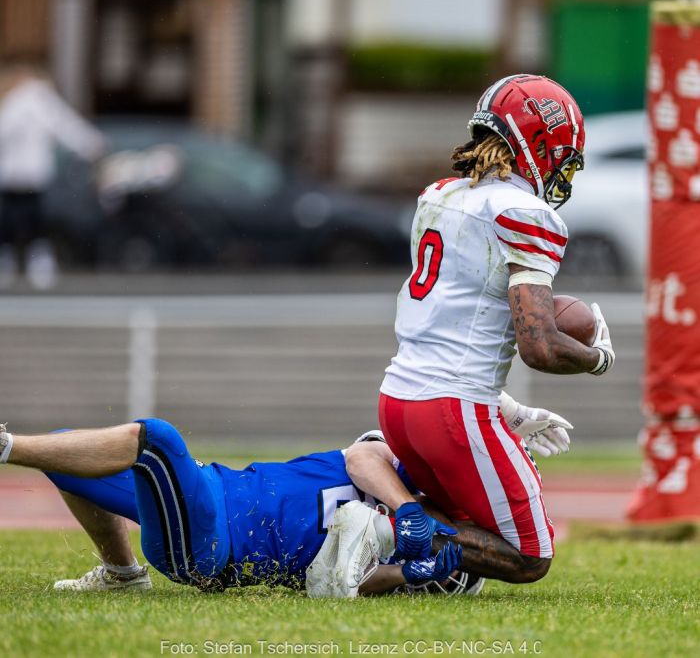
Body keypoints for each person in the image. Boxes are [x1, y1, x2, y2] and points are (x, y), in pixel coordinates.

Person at [377, 74, 615, 579]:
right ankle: (369, 532)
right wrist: (598, 359)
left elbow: (450, 316)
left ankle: (380, 524)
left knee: (463, 521)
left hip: (398, 400)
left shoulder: (439, 195)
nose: (562, 171)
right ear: (539, 146)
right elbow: (540, 347)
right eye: (561, 156)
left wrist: (507, 408)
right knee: (531, 555)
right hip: (451, 410)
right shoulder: (524, 212)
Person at [0, 398, 570, 596]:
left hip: (216, 545)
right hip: (214, 485)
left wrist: (413, 574)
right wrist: (408, 509)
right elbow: (359, 458)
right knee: (62, 448)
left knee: (157, 438)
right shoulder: (397, 472)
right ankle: (122, 572)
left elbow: (346, 582)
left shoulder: (451, 554)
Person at [0, 61, 106, 289]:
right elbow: (66, 127)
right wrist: (91, 143)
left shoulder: (31, 101)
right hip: (22, 175)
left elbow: (64, 126)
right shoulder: (27, 102)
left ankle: (28, 264)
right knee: (23, 220)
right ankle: (27, 264)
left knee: (24, 220)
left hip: (24, 174)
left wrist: (90, 144)